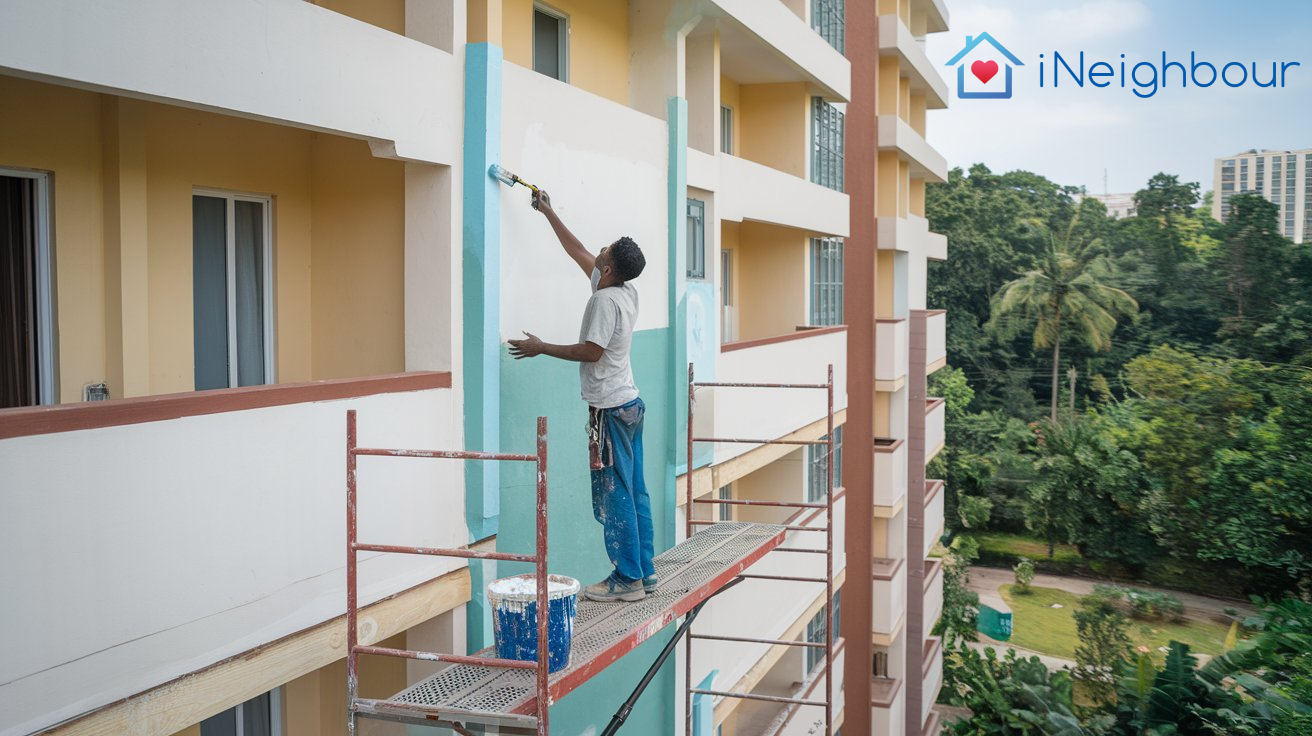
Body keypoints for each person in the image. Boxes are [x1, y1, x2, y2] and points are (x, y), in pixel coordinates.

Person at [508, 189, 655, 603]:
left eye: (603, 252)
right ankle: (644, 571)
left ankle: (626, 580)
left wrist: (541, 348)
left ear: (607, 269)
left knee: (614, 494)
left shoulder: (603, 302)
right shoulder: (625, 290)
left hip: (609, 410)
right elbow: (577, 250)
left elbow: (591, 351)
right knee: (636, 490)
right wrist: (549, 212)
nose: (598, 252)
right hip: (630, 405)